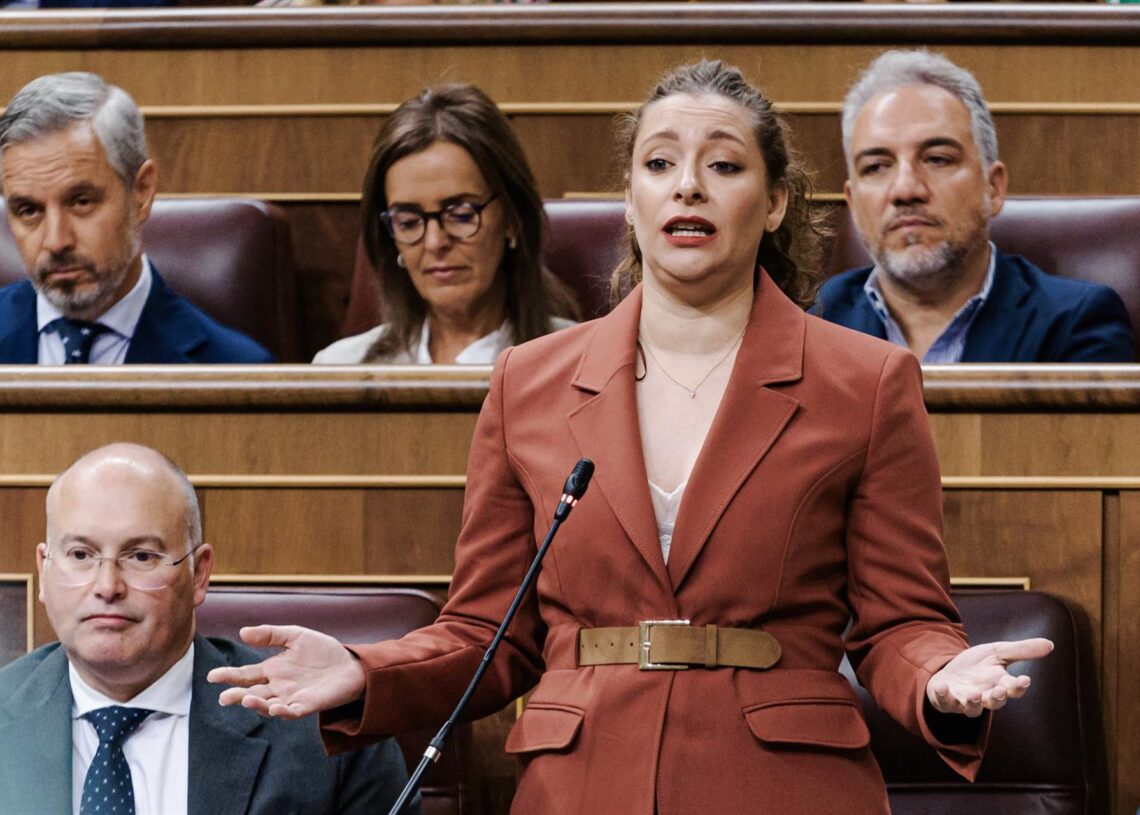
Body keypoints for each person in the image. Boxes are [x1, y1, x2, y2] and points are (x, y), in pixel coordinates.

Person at [210, 61, 1053, 813]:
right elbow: (488, 634)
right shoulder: (527, 382)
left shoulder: (864, 381)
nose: (687, 186)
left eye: (722, 165)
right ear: (630, 197)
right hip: (580, 780)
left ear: (776, 201)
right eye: (659, 164)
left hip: (786, 781)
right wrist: (368, 670)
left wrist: (941, 675)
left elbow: (901, 621)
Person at [0, 443, 411, 814]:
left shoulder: (327, 736)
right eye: (80, 554)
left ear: (199, 574)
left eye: (141, 556)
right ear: (44, 567)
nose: (107, 587)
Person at [816, 50, 1134, 363]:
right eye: (876, 167)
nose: (905, 189)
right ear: (854, 202)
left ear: (993, 187)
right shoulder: (816, 323)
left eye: (937, 159)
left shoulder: (1074, 324)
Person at [0, 72, 273, 364]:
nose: (56, 242)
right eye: (29, 211)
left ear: (141, 191)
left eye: (81, 202)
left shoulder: (233, 371)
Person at [312, 83, 578, 364]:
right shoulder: (342, 367)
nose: (435, 242)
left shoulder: (577, 360)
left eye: (461, 215)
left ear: (513, 219)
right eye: (409, 222)